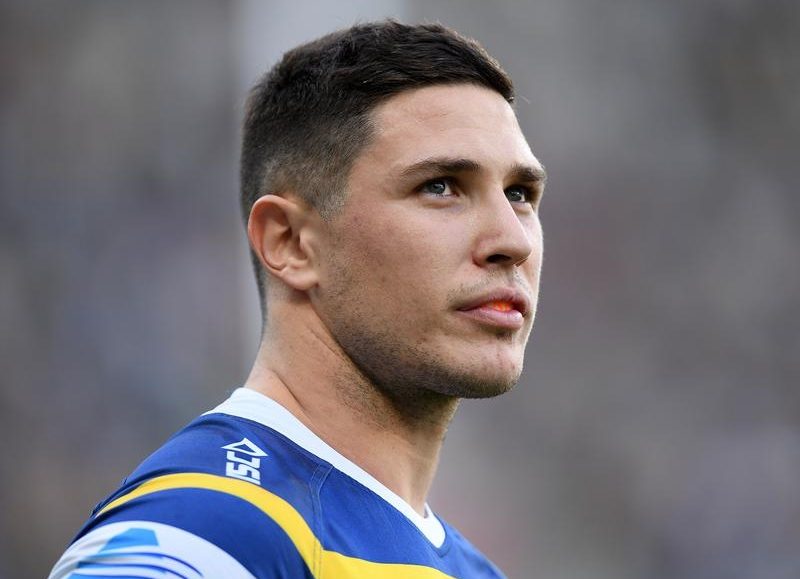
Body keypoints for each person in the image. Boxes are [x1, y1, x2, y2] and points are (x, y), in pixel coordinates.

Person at [49, 19, 546, 579]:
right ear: (289, 242)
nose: (514, 241)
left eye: (519, 194)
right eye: (440, 186)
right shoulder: (202, 534)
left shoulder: (475, 571)